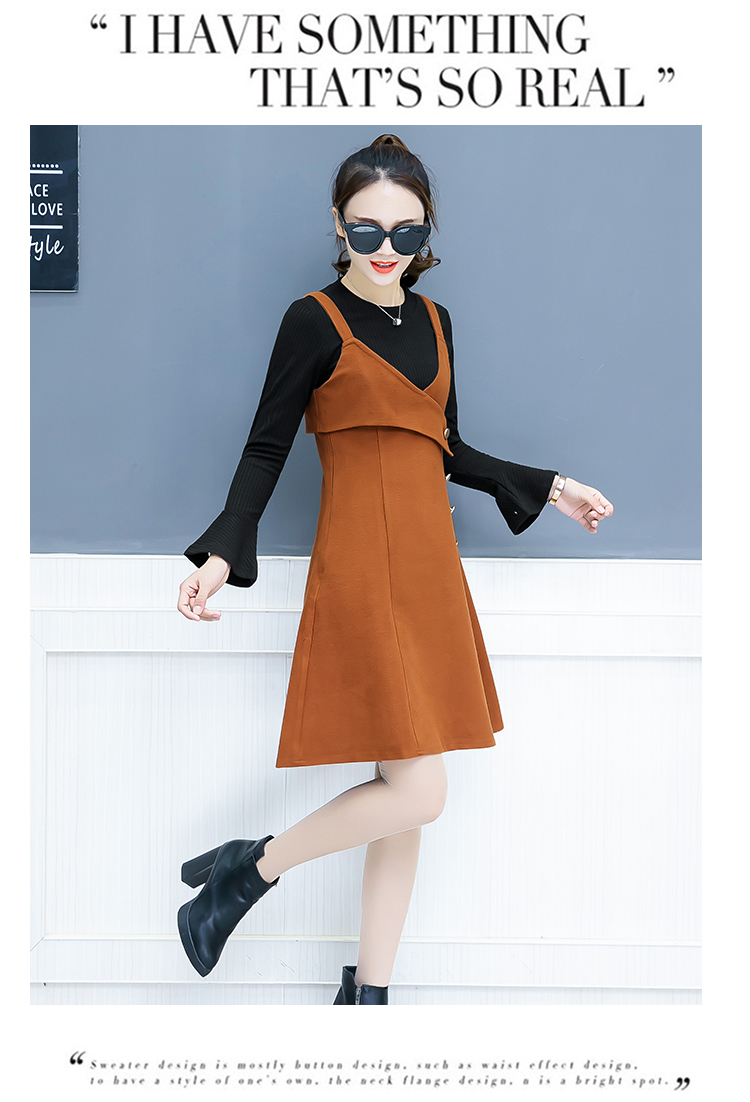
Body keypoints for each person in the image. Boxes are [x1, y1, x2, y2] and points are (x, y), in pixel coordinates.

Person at [176, 133, 614, 1004]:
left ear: (426, 233)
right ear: (339, 227)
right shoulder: (313, 319)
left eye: (406, 234)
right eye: (368, 231)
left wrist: (552, 485)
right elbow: (265, 448)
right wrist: (223, 551)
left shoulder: (438, 323)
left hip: (428, 571)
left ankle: (368, 995)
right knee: (421, 791)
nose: (386, 250)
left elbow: (446, 447)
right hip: (362, 567)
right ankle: (250, 869)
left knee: (402, 787)